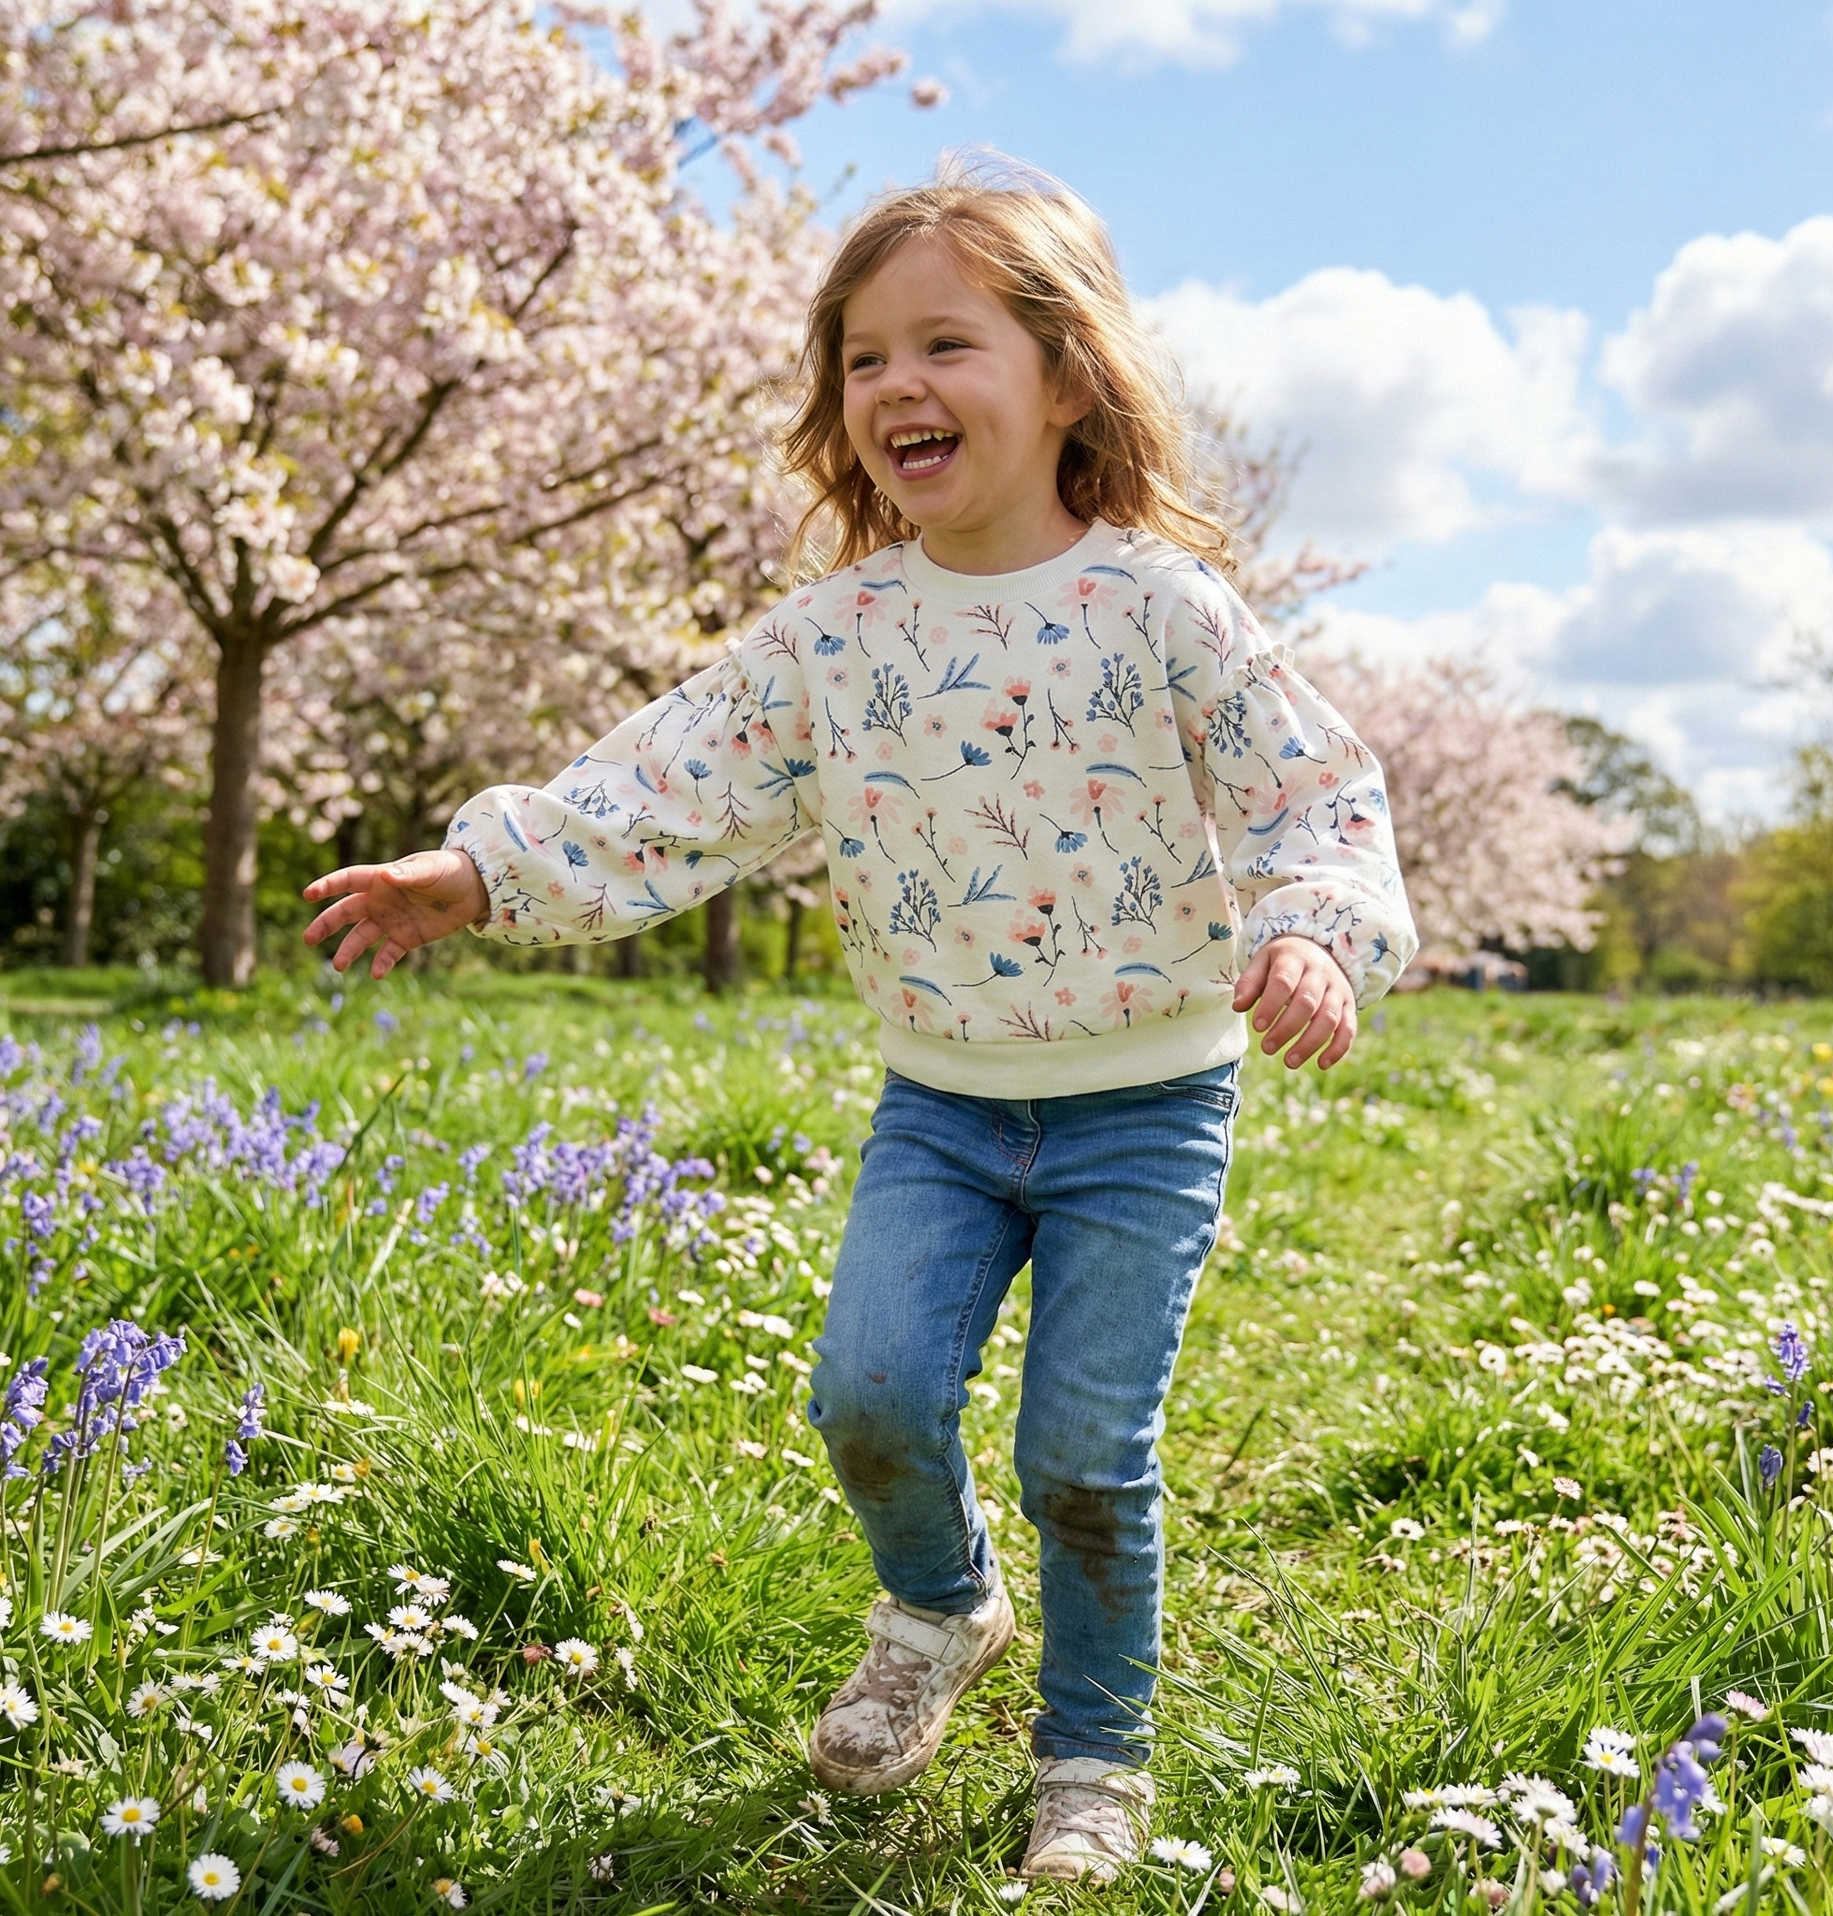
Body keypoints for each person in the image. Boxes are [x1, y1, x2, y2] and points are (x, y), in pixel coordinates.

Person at [303, 152, 1418, 1883]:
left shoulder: (1157, 605)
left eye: (945, 344)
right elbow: (662, 782)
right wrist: (483, 869)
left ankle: (1093, 1754)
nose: (897, 383)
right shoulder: (834, 639)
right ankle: (937, 1608)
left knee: (1081, 1449)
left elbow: (1312, 793)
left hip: (1145, 1104)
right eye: (863, 355)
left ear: (1065, 376)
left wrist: (1314, 935)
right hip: (942, 1106)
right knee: (868, 1393)